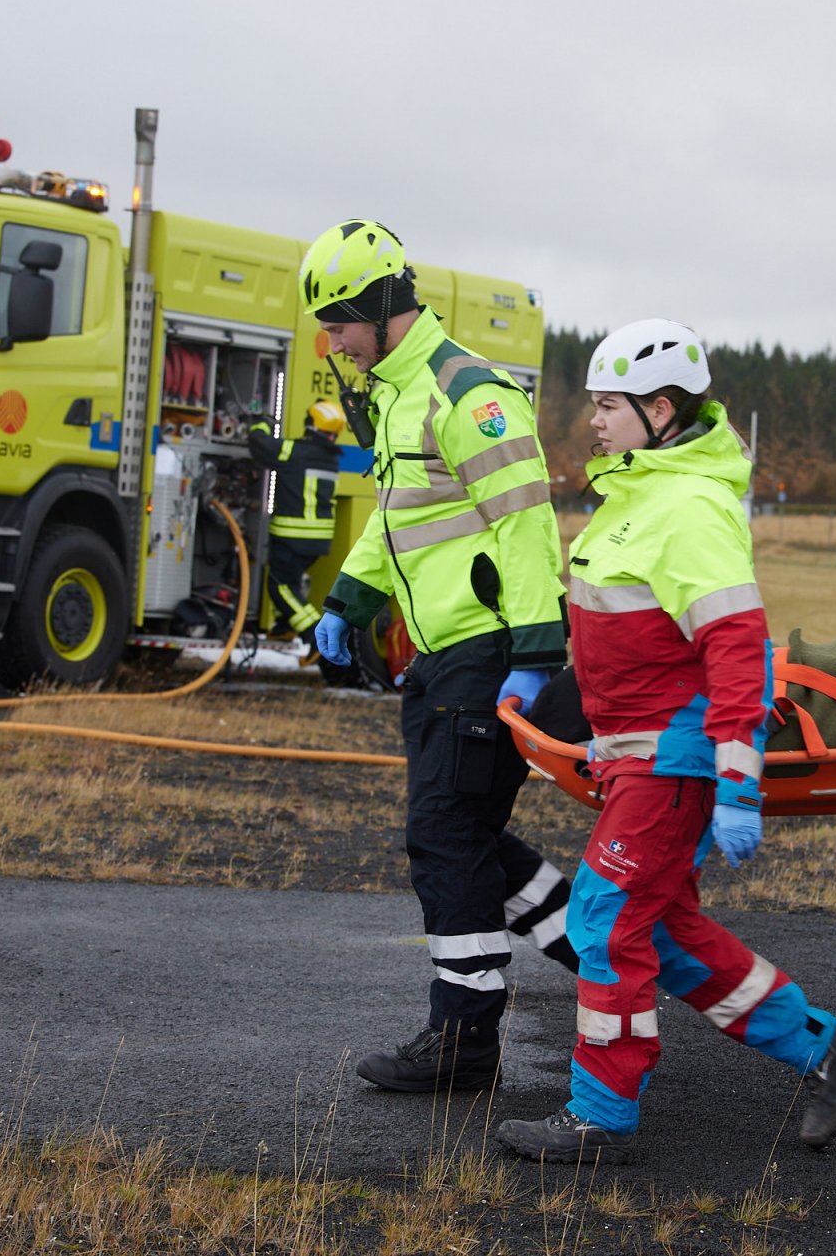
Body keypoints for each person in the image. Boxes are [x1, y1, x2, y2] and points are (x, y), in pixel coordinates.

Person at [495, 319, 836, 1163]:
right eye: (594, 404)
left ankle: (602, 1113)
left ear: (660, 409)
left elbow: (735, 648)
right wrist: (607, 737)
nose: (594, 419)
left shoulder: (691, 507)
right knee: (659, 931)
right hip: (643, 754)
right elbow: (634, 646)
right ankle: (820, 1043)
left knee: (603, 922)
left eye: (608, 405)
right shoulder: (639, 494)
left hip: (677, 762)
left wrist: (736, 782)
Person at [300, 219, 578, 1093]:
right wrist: (349, 598)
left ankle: (464, 1039)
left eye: (338, 320)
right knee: (470, 834)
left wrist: (535, 652)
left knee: (444, 833)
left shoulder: (468, 393)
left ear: (384, 307)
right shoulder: (396, 389)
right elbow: (402, 520)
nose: (329, 340)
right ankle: (607, 957)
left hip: (485, 650)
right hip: (443, 651)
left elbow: (526, 524)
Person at [246, 399, 343, 641]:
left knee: (280, 586)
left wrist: (261, 423)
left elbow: (262, 445)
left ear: (310, 424)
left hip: (293, 537)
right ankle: (284, 625)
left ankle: (314, 635)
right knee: (292, 582)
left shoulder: (298, 452)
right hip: (316, 540)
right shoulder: (329, 457)